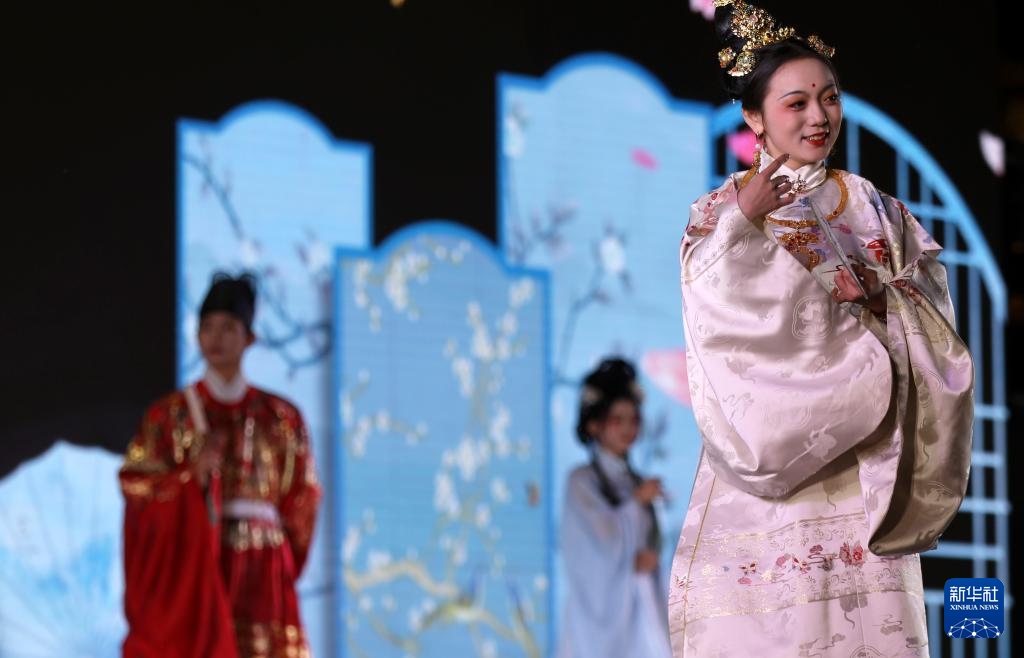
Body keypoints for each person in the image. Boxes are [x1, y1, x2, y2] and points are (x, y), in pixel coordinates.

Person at [668, 1, 974, 655]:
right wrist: (741, 227)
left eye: (829, 99)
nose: (818, 117)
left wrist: (885, 302)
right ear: (754, 117)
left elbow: (929, 301)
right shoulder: (719, 214)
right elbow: (712, 316)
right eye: (796, 103)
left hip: (864, 462)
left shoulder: (872, 206)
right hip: (769, 479)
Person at [119, 273, 321, 658]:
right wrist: (187, 479)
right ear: (196, 335)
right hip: (197, 568)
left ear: (250, 338)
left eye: (228, 328)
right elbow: (136, 486)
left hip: (264, 574)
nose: (216, 338)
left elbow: (302, 501)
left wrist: (276, 560)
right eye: (207, 327)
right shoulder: (168, 416)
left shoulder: (282, 418)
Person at [558, 358, 673, 658]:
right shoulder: (581, 482)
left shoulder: (637, 482)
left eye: (633, 419)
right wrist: (637, 504)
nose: (627, 427)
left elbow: (650, 545)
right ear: (594, 424)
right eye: (617, 418)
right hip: (597, 618)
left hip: (641, 608)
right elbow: (594, 549)